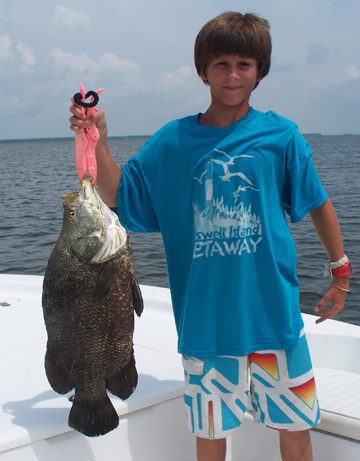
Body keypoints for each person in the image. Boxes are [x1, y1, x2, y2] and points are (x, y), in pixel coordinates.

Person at [69, 11, 351, 461]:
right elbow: (120, 194)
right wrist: (98, 139)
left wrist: (339, 274)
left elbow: (317, 202)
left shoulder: (281, 136)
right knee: (211, 436)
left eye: (244, 64)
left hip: (275, 320)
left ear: (259, 71)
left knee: (295, 430)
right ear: (203, 70)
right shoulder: (172, 141)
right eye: (221, 64)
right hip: (205, 325)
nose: (233, 74)